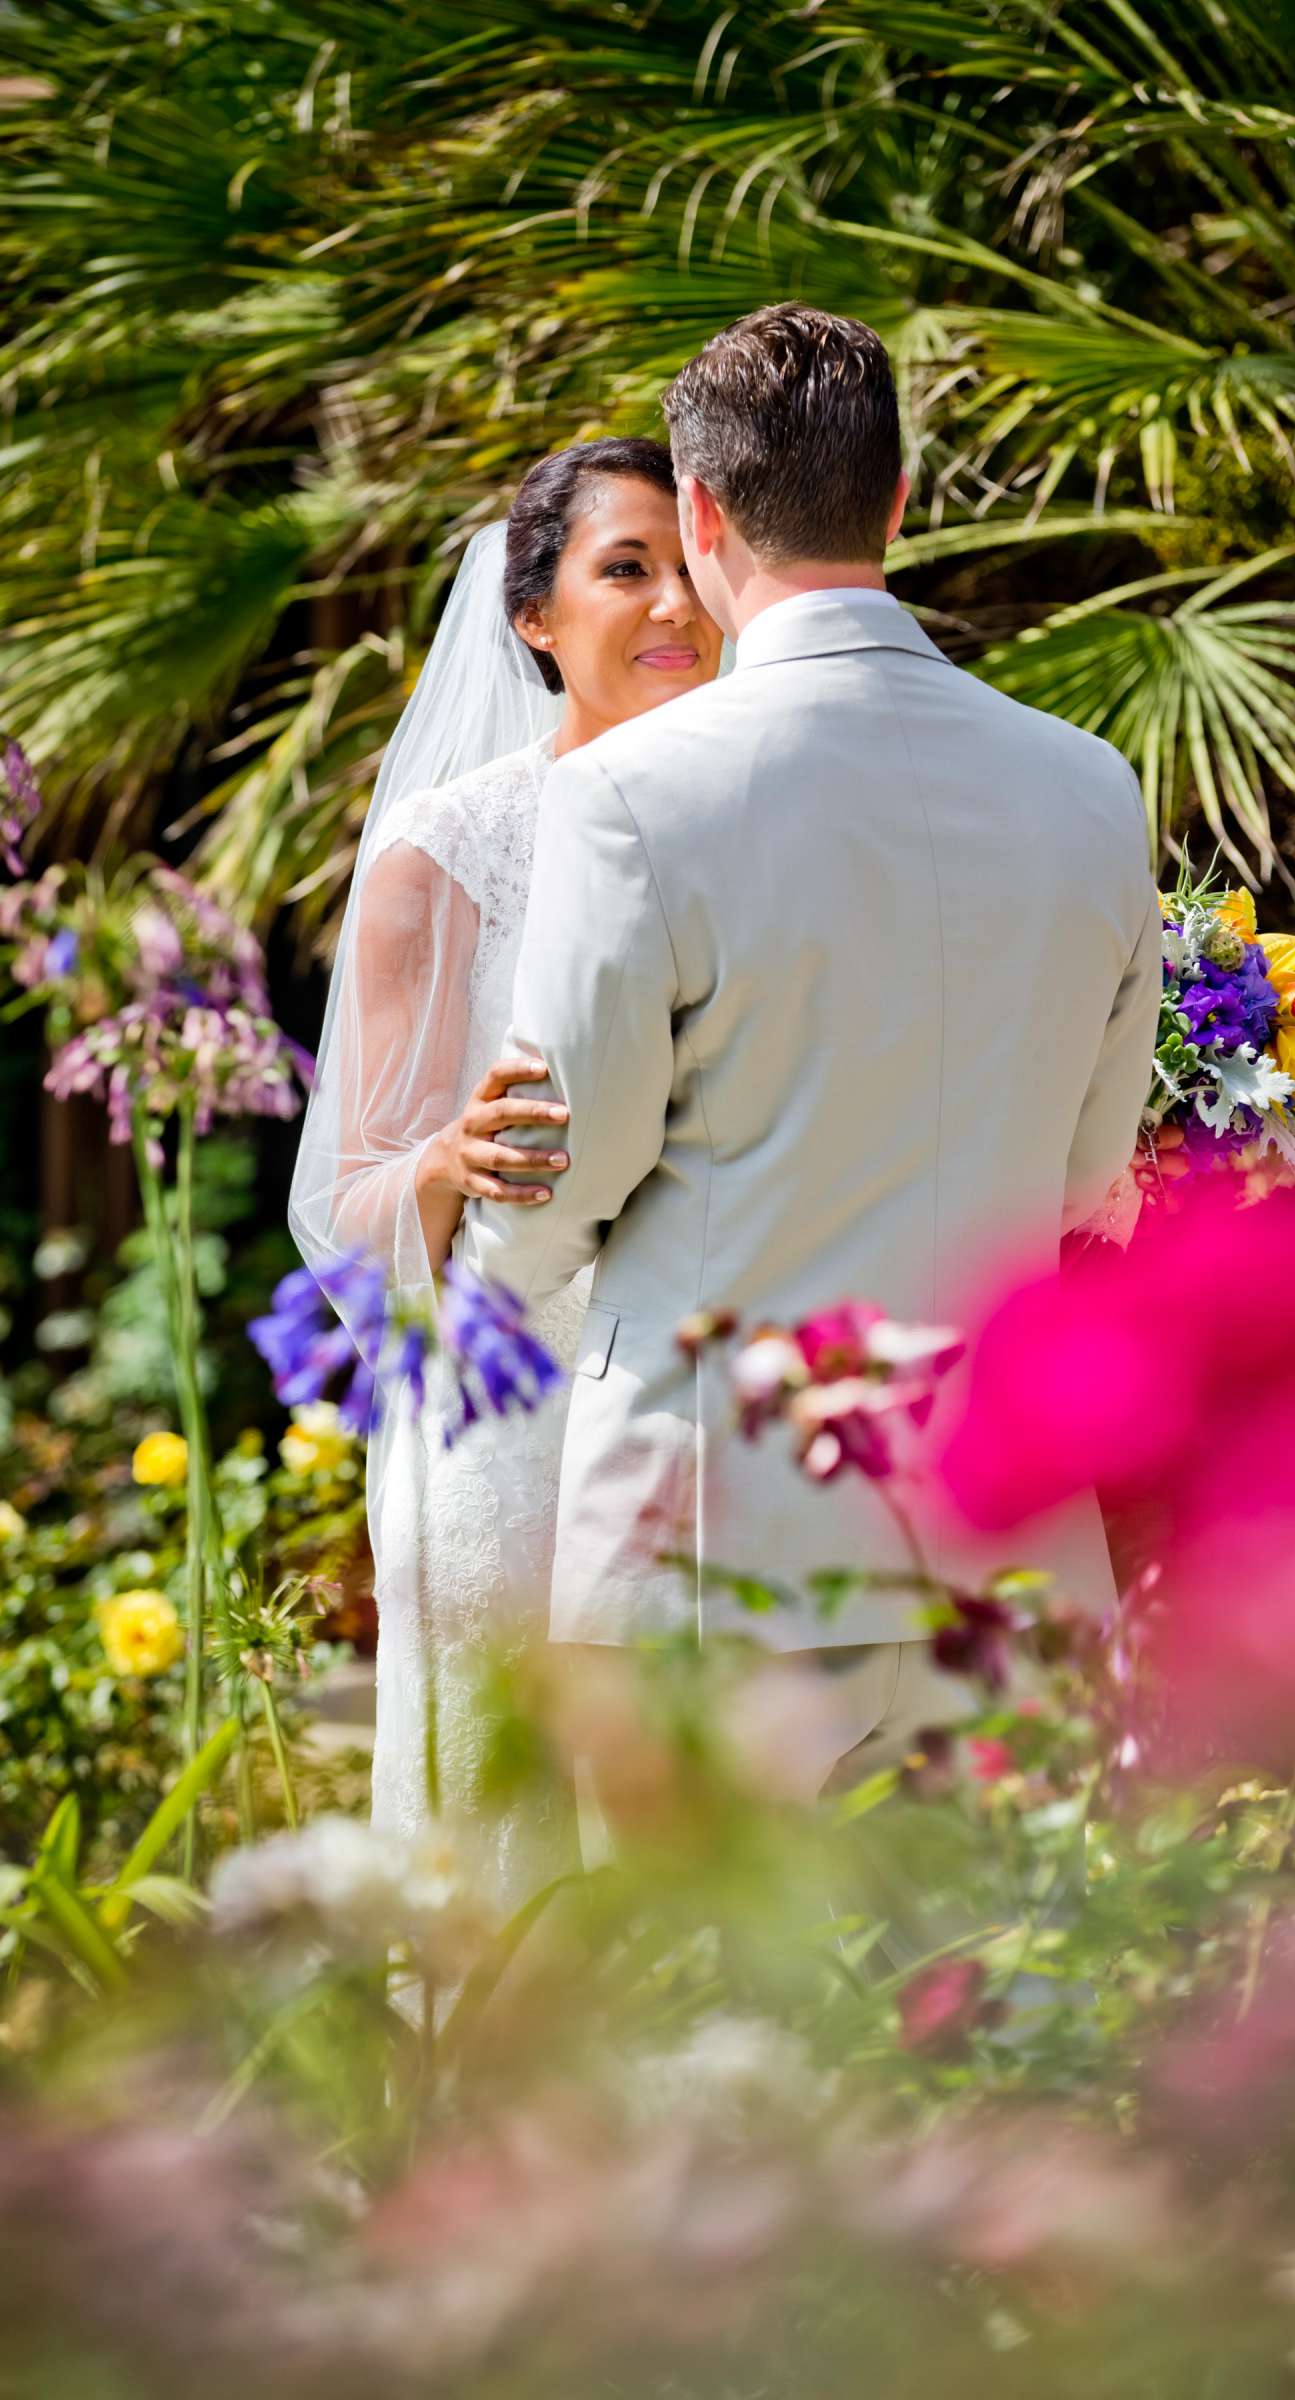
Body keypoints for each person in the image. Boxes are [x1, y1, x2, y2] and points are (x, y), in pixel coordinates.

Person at [458, 304, 1162, 1817]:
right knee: (1018, 2042)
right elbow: (1091, 1180)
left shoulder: (632, 797)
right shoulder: (1093, 788)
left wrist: (500, 1274)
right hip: (1010, 1546)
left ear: (700, 515)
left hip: (721, 1554)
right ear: (900, 504)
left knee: (705, 2039)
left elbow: (560, 1168)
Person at [288, 439, 721, 1908]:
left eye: (690, 565)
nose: (677, 603)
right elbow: (344, 1209)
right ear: (532, 617)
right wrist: (449, 1161)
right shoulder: (444, 853)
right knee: (500, 1871)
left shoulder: (766, 814)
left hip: (717, 1413)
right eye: (626, 569)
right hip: (508, 1421)